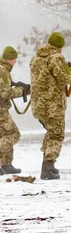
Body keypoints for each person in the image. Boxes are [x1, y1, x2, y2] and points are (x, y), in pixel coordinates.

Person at [30, 32, 71, 180]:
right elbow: (64, 78)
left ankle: (48, 165)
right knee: (56, 135)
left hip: (38, 105)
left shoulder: (36, 58)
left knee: (50, 133)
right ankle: (48, 167)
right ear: (60, 46)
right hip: (52, 105)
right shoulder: (57, 57)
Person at [0, 46, 27, 175]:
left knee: (3, 135)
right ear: (11, 59)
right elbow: (5, 93)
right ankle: (5, 163)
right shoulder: (3, 71)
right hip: (1, 110)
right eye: (14, 59)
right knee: (13, 134)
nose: (15, 62)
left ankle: (6, 164)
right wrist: (22, 91)